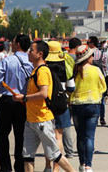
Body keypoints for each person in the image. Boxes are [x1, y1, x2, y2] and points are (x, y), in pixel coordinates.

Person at [12, 41, 75, 172]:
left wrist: (24, 97)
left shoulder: (43, 71)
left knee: (54, 154)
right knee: (27, 156)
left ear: (40, 54)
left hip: (42, 120)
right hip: (31, 120)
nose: (29, 52)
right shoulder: (35, 70)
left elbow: (43, 94)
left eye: (31, 50)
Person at [0, 35, 34, 172]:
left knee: (2, 134)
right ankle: (20, 166)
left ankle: (5, 166)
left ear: (17, 44)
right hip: (24, 101)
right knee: (21, 135)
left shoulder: (7, 60)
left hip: (7, 100)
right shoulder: (31, 62)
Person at [70, 45, 107, 172]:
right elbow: (104, 87)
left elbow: (70, 90)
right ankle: (88, 166)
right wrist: (97, 94)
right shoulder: (96, 70)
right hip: (93, 104)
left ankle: (81, 163)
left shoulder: (74, 71)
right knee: (89, 137)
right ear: (88, 58)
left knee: (80, 136)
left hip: (77, 105)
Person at [44, 41, 76, 172]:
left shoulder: (43, 66)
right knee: (58, 136)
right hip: (61, 102)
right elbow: (72, 87)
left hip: (45, 102)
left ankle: (47, 167)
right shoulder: (65, 64)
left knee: (47, 136)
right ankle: (56, 168)